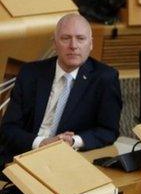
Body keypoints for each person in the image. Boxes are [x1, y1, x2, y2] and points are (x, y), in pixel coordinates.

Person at [0, 13, 122, 167]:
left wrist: (73, 141)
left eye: (80, 38)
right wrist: (42, 143)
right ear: (54, 43)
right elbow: (8, 129)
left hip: (68, 161)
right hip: (24, 154)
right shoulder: (30, 73)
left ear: (91, 44)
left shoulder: (105, 78)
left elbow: (108, 131)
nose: (73, 45)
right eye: (66, 38)